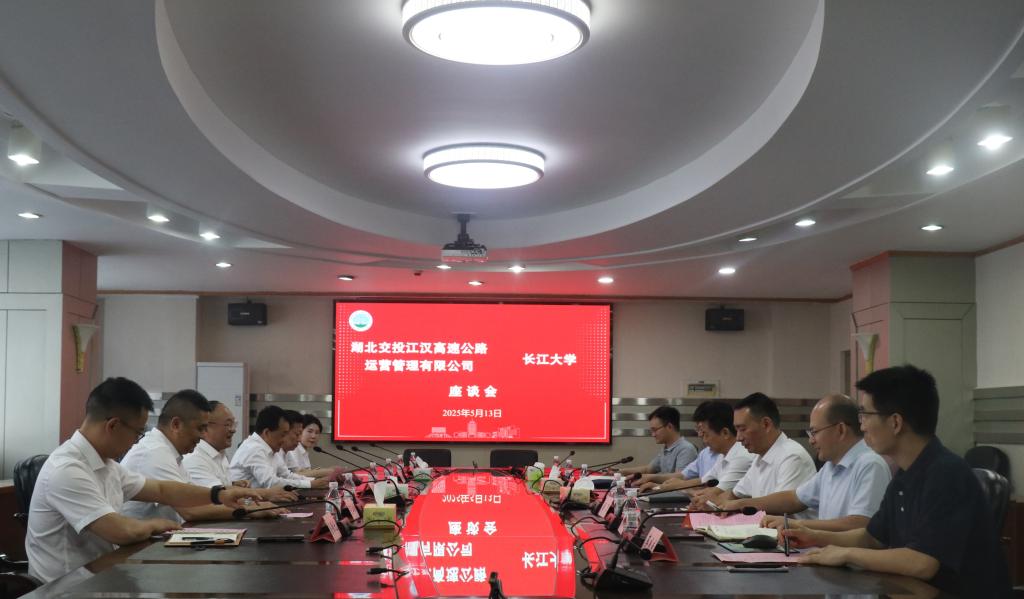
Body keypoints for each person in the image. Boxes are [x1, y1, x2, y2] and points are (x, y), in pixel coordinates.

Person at [786, 366, 1012, 598]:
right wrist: (814, 536)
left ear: (895, 422)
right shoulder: (905, 475)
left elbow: (923, 563)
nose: (861, 425)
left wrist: (846, 554)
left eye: (865, 415)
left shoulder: (947, 474)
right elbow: (872, 538)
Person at [25, 378, 262, 583]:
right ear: (113, 425)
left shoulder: (107, 465)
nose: (137, 440)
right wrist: (158, 524)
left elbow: (160, 489)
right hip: (67, 588)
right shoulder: (67, 469)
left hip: (102, 575)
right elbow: (121, 531)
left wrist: (218, 494)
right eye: (138, 432)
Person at [720, 394, 890, 531]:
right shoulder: (831, 467)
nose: (811, 441)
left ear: (840, 429)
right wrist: (742, 504)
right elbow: (795, 498)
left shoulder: (870, 465)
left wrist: (796, 525)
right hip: (826, 555)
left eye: (814, 432)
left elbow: (860, 524)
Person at [120, 390, 287, 522]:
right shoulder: (155, 453)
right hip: (142, 548)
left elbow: (197, 494)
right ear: (176, 424)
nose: (202, 436)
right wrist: (250, 509)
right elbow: (190, 509)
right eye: (200, 428)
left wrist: (243, 498)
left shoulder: (171, 452)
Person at [691, 393, 815, 513]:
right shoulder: (759, 457)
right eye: (737, 430)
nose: (738, 438)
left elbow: (783, 505)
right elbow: (735, 494)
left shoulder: (792, 456)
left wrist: (738, 504)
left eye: (742, 429)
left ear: (766, 424)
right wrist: (712, 503)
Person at [182, 401, 297, 502]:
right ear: (206, 427)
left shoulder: (221, 455)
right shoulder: (194, 458)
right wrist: (265, 495)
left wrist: (233, 484)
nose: (233, 430)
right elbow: (220, 496)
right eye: (228, 424)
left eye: (233, 424)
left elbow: (224, 491)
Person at [639, 400, 753, 494]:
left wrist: (676, 487)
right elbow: (703, 481)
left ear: (725, 433)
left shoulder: (741, 456)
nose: (702, 438)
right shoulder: (722, 455)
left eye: (705, 434)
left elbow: (714, 495)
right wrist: (661, 487)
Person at [230, 405, 332, 489]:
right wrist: (310, 484)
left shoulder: (270, 448)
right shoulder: (253, 448)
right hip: (245, 504)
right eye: (283, 435)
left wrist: (315, 481)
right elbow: (271, 483)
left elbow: (287, 475)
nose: (284, 440)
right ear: (267, 432)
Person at [618, 406, 697, 479]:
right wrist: (619, 471)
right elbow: (648, 469)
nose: (653, 434)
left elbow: (679, 480)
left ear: (669, 427)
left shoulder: (686, 449)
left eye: (655, 430)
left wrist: (650, 479)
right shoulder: (666, 449)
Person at [281, 411, 334, 478]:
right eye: (310, 431)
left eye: (317, 433)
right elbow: (295, 475)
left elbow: (300, 472)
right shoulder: (292, 450)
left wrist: (320, 472)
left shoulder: (303, 450)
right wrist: (325, 472)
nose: (313, 436)